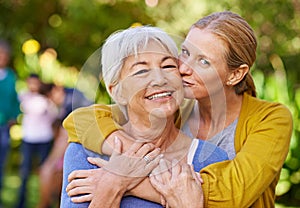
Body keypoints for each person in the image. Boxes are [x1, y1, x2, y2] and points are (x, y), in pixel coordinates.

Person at [64, 11, 293, 207]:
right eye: (185, 53)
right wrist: (134, 155)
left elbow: (230, 194)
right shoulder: (172, 107)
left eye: (204, 62)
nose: (183, 68)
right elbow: (82, 119)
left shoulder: (271, 118)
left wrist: (121, 181)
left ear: (235, 74)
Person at [60, 26, 229, 208]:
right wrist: (113, 185)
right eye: (141, 71)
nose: (160, 79)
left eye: (168, 66)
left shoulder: (212, 159)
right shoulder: (85, 153)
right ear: (116, 91)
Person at [36, 83, 93, 208]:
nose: (52, 101)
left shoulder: (71, 101)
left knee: (49, 171)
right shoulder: (69, 101)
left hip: (86, 147)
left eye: (51, 97)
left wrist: (50, 163)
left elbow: (64, 134)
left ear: (57, 90)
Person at [16, 74, 58, 208]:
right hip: (28, 138)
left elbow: (54, 116)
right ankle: (21, 203)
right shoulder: (23, 96)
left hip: (44, 139)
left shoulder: (47, 100)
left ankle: (46, 202)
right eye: (31, 83)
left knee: (45, 172)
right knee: (25, 173)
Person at [0, 39, 20, 204]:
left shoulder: (10, 77)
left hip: (3, 127)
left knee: (1, 163)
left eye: (5, 55)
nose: (2, 57)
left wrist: (14, 117)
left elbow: (15, 100)